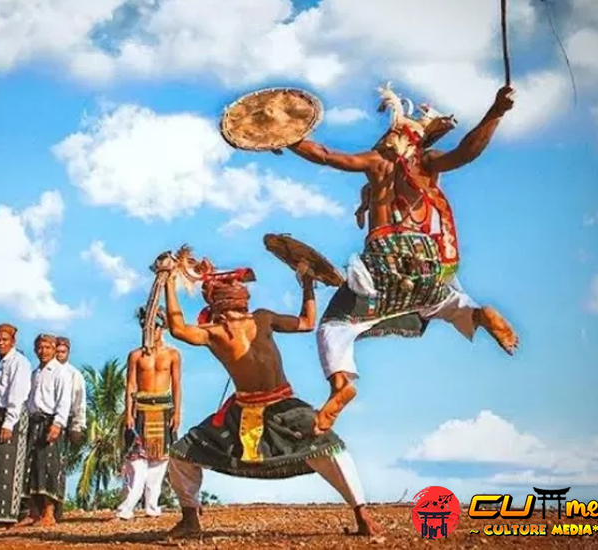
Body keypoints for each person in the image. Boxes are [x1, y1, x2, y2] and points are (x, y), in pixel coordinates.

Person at [280, 83, 520, 432]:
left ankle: (341, 386)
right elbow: (468, 151)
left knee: (335, 325)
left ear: (391, 138)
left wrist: (287, 140)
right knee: (450, 304)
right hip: (428, 267)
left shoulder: (376, 163)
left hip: (383, 266)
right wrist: (496, 112)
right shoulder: (428, 163)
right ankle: (478, 314)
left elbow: (326, 154)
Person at [155, 256, 380, 537]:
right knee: (183, 452)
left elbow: (177, 328)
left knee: (327, 445)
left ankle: (363, 517)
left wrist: (167, 281)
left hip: (281, 405)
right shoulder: (254, 320)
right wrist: (307, 285)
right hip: (250, 410)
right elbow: (308, 322)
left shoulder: (220, 330)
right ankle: (363, 517)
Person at [115, 307, 181, 520]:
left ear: (163, 328)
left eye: (155, 327)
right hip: (141, 409)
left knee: (160, 462)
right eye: (147, 327)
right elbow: (131, 385)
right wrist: (129, 413)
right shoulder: (135, 355)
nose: (151, 331)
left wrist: (177, 413)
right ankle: (127, 507)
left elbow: (177, 385)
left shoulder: (173, 354)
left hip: (163, 409)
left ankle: (152, 505)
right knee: (137, 462)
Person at [0, 323, 32, 529]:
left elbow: (17, 395)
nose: (0, 343)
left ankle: (7, 516)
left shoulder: (19, 362)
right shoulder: (0, 364)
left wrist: (9, 422)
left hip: (11, 418)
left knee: (7, 466)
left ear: (13, 341)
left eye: (4, 339)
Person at [17, 335, 73, 527]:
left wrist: (57, 424)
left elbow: (64, 401)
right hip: (34, 422)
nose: (43, 351)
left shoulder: (60, 372)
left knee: (49, 467)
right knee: (30, 466)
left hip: (51, 422)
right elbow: (28, 399)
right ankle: (32, 512)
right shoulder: (35, 373)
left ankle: (49, 513)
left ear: (54, 348)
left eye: (47, 348)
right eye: (40, 348)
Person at [53, 335, 86, 521]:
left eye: (62, 352)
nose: (59, 355)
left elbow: (80, 404)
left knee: (59, 466)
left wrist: (77, 426)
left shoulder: (74, 375)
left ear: (68, 352)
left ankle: (57, 510)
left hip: (65, 424)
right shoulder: (44, 372)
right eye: (56, 351)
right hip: (44, 422)